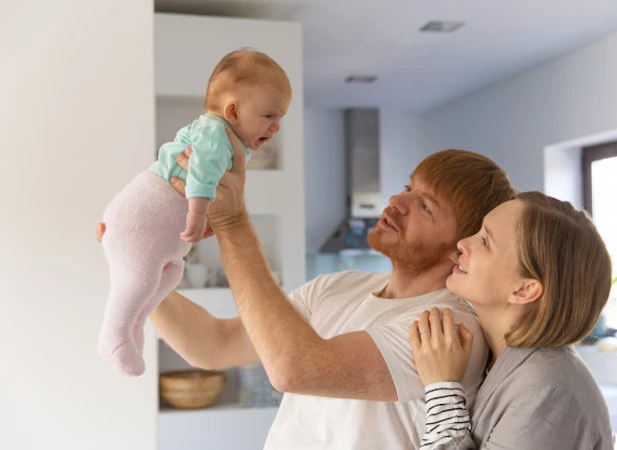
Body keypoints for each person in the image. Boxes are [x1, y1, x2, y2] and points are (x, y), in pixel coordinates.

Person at [97, 141, 515, 448]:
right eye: (408, 186)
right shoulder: (339, 286)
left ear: (460, 245)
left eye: (425, 206)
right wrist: (138, 269)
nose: (397, 200)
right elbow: (214, 345)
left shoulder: (448, 329)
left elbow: (294, 369)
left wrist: (234, 222)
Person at [98, 49, 291, 376]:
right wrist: (198, 214)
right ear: (233, 110)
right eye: (269, 116)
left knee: (169, 274)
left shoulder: (229, 143)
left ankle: (134, 323)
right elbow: (200, 174)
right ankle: (113, 334)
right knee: (142, 274)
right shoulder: (216, 133)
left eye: (280, 119)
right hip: (141, 217)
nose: (276, 128)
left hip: (152, 226)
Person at [410, 191, 614, 449]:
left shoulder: (547, 391)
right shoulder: (498, 360)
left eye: (485, 241)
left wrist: (443, 390)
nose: (462, 242)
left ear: (524, 290)